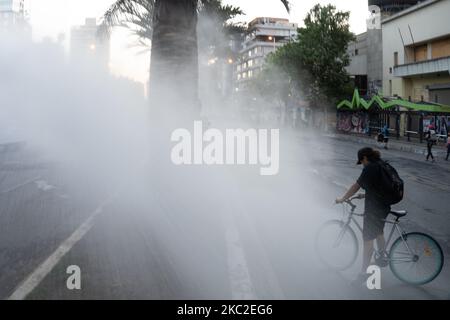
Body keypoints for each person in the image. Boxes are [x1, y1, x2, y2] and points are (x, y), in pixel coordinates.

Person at [336, 147, 391, 286]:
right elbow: (381, 187)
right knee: (378, 231)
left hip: (374, 208)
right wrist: (366, 195)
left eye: (362, 161)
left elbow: (356, 185)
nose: (362, 164)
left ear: (365, 158)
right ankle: (382, 257)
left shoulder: (370, 167)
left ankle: (363, 273)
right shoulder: (381, 164)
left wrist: (343, 198)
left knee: (368, 239)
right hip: (384, 205)